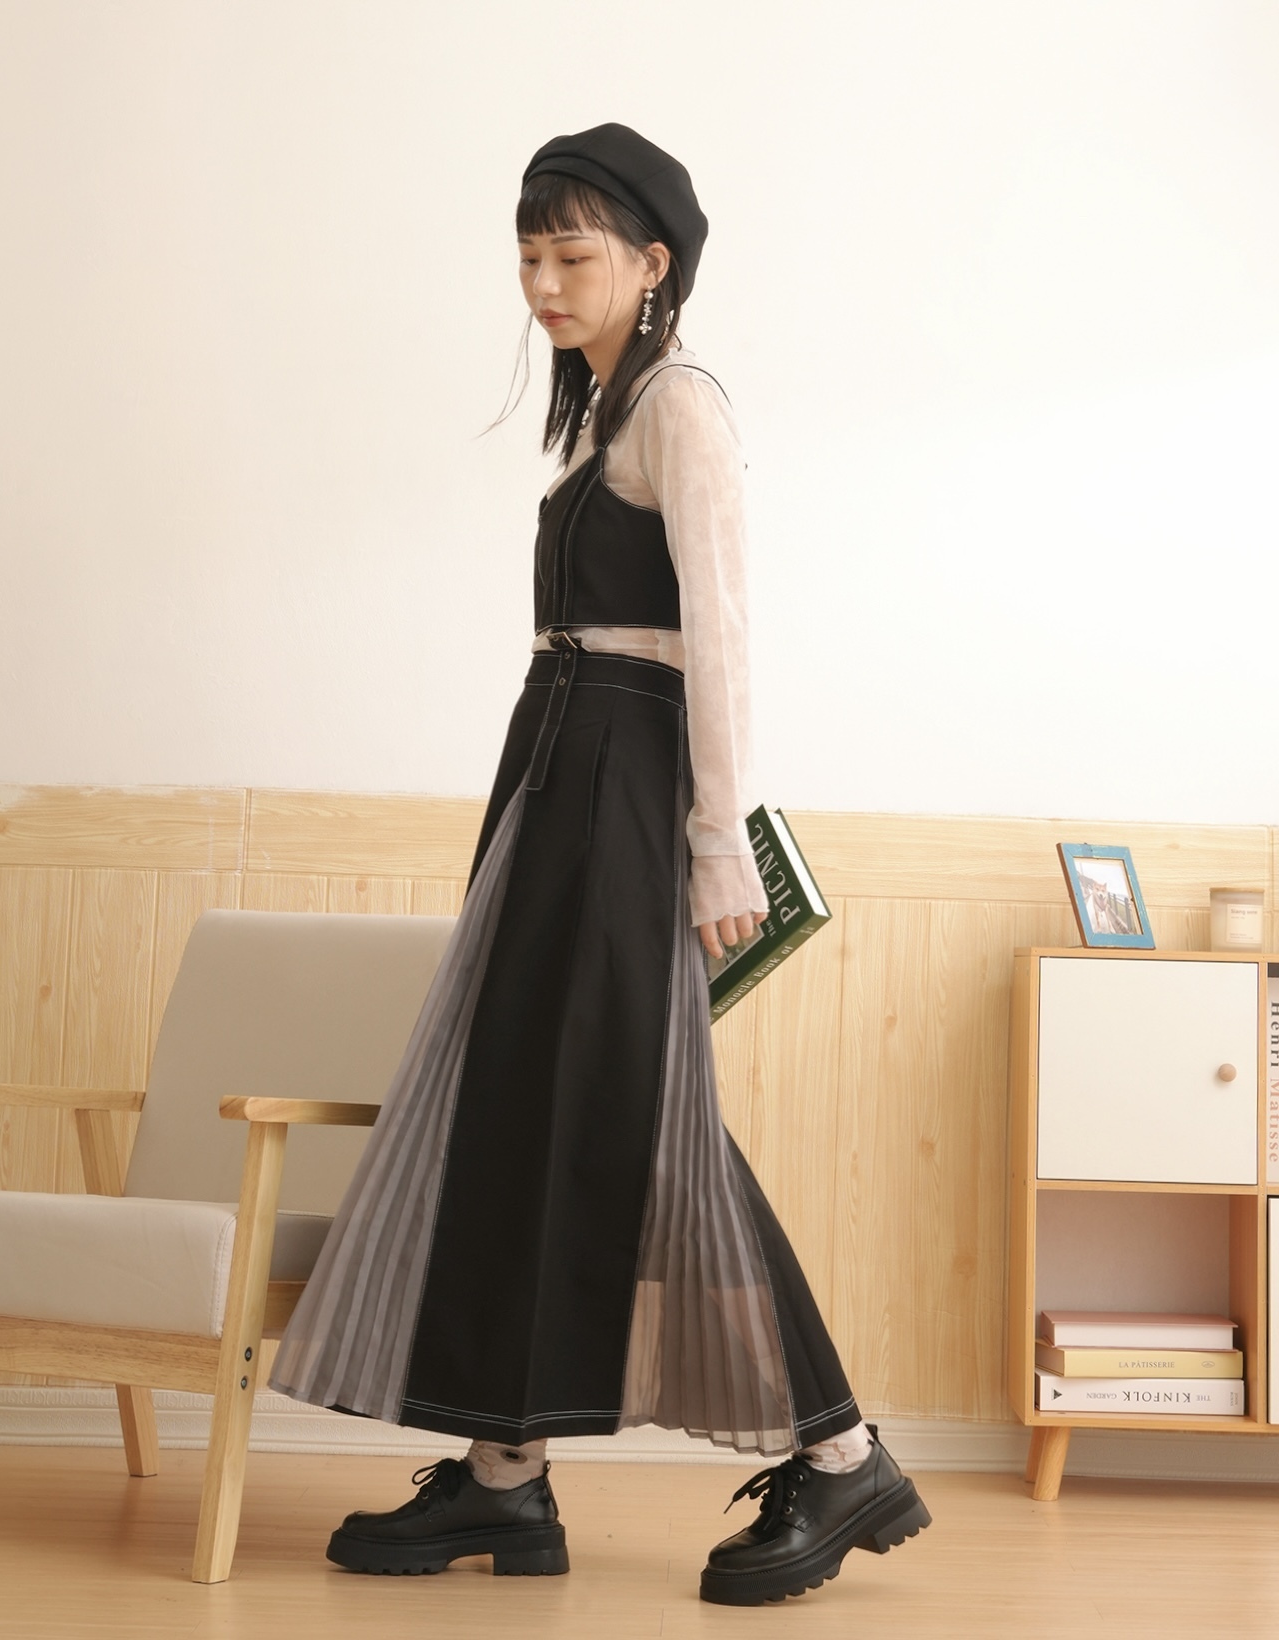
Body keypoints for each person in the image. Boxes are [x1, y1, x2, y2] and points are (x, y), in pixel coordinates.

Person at [269, 122, 929, 1608]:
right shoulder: (598, 415)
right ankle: (508, 1475)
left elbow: (723, 639)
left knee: (635, 1108)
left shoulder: (679, 406)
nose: (544, 283)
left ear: (652, 262)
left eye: (571, 255)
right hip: (557, 768)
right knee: (524, 1096)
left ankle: (841, 1453)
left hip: (625, 778)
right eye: (528, 256)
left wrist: (717, 840)